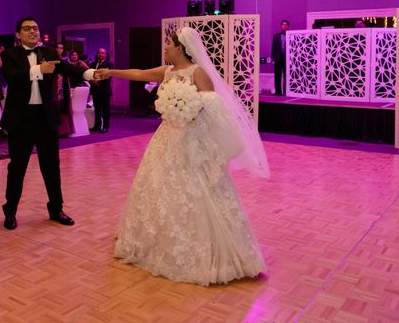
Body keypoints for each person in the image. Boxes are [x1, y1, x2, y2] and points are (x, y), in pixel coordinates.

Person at [95, 27, 269, 286]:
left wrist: (188, 108)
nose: (165, 47)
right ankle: (156, 240)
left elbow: (213, 107)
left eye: (168, 44)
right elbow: (140, 74)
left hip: (192, 141)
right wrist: (111, 72)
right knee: (157, 186)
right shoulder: (168, 71)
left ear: (181, 47)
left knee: (195, 189)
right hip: (167, 137)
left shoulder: (198, 72)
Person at [0, 17, 96, 230]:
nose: (33, 32)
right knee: (17, 168)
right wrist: (38, 71)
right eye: (27, 29)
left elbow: (68, 68)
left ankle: (56, 209)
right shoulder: (10, 55)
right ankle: (11, 211)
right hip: (21, 120)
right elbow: (12, 77)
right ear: (18, 34)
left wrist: (91, 73)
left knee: (51, 166)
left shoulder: (50, 53)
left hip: (45, 119)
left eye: (35, 28)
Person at [89, 47, 113, 133]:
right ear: (97, 54)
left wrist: (97, 81)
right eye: (99, 53)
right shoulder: (93, 64)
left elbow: (108, 76)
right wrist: (93, 80)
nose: (101, 54)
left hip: (104, 90)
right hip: (95, 91)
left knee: (105, 109)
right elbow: (89, 74)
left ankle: (106, 126)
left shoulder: (109, 64)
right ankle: (97, 125)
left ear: (105, 55)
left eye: (103, 53)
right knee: (97, 109)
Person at [271, 19, 290, 96]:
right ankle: (278, 92)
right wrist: (273, 58)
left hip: (287, 59)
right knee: (277, 75)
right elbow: (273, 47)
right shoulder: (276, 36)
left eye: (286, 25)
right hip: (278, 58)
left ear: (288, 26)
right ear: (281, 26)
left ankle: (286, 92)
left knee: (287, 76)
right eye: (283, 24)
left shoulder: (290, 35)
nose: (284, 26)